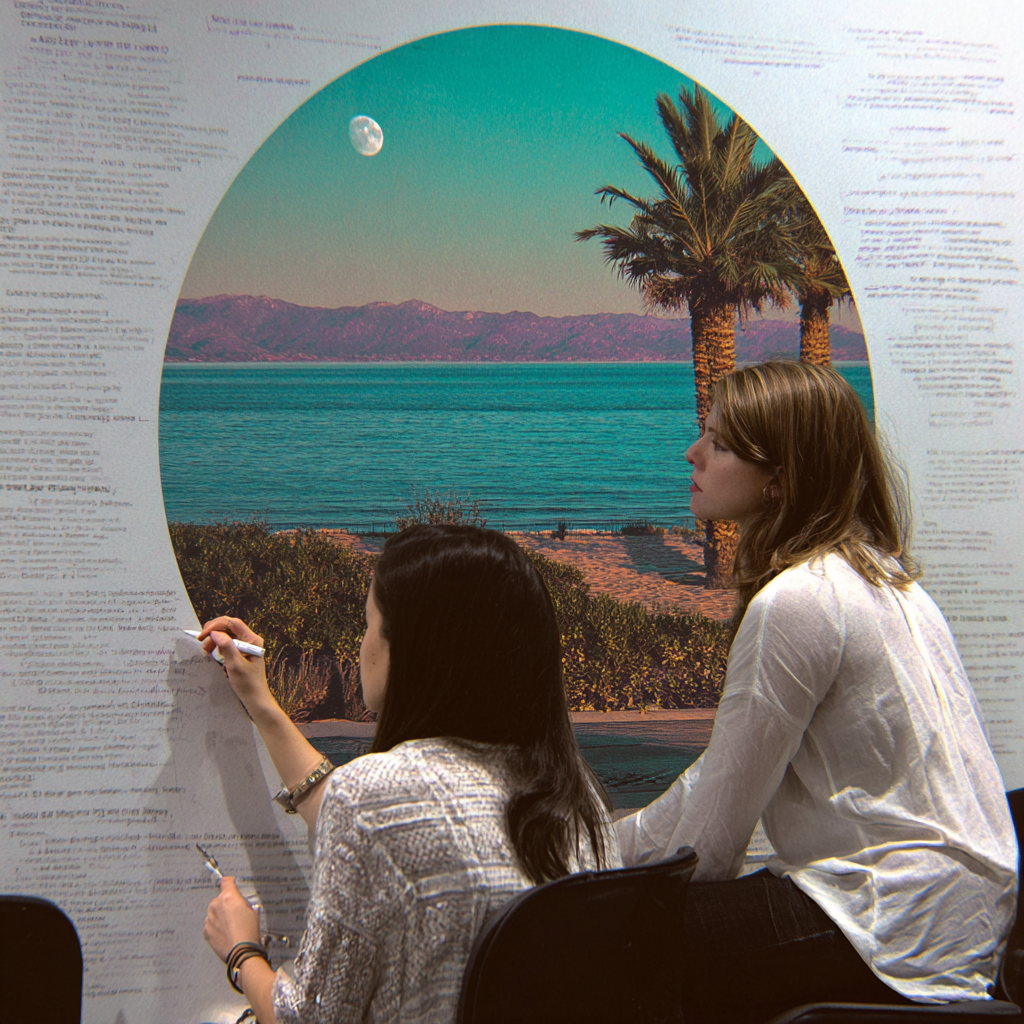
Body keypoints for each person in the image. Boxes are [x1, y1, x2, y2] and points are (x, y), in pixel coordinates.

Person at [615, 361, 1018, 1023]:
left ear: (779, 477)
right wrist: (608, 844)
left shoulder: (797, 602)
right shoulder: (887, 581)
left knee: (619, 933)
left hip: (893, 920)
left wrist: (589, 874)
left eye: (717, 442)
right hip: (960, 911)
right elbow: (720, 775)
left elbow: (712, 844)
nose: (693, 453)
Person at [197, 524, 619, 1024]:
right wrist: (262, 703)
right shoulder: (578, 797)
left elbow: (306, 1018)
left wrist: (241, 951)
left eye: (369, 623)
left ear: (413, 650)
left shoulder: (373, 800)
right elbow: (381, 816)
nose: (361, 643)